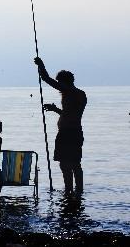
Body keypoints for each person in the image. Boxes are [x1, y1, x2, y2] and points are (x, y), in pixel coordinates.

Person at [34, 57, 87, 195]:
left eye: (59, 83)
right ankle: (73, 190)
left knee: (69, 164)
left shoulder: (71, 92)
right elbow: (70, 114)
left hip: (68, 133)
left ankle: (72, 190)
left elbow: (46, 79)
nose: (58, 86)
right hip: (72, 132)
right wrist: (55, 109)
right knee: (71, 163)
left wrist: (41, 65)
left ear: (64, 82)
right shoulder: (79, 94)